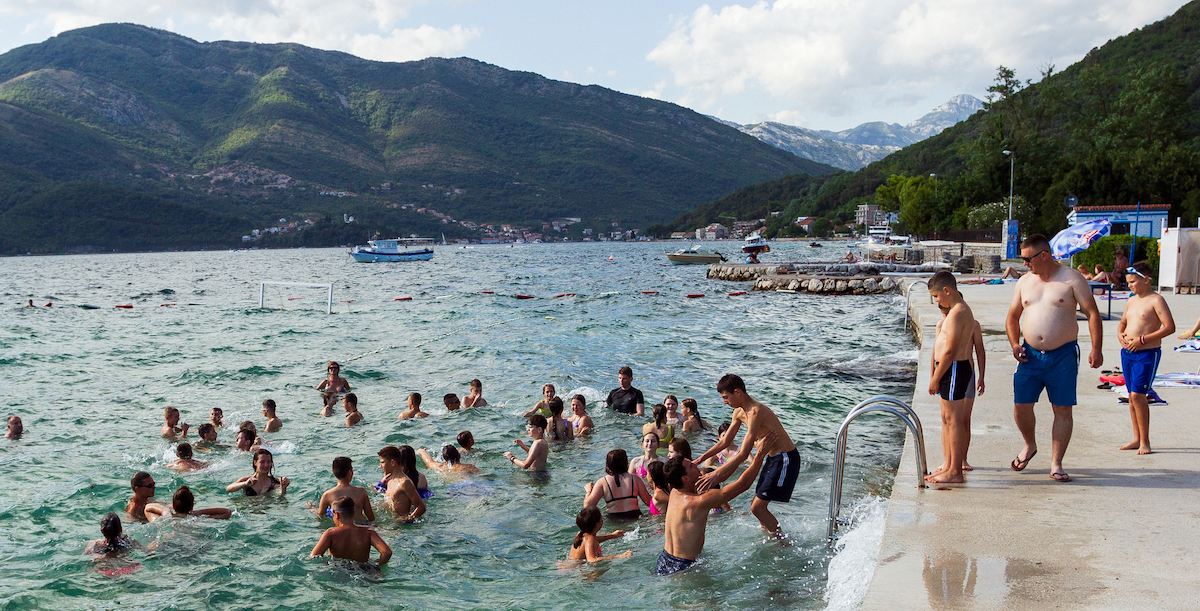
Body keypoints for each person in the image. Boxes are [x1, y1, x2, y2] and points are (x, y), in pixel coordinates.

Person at [1006, 234, 1104, 483]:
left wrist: (1096, 348)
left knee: (1062, 409)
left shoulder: (1071, 279)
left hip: (1063, 355)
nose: (1025, 264)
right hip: (1030, 355)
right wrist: (1015, 343)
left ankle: (1056, 463)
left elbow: (1092, 313)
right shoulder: (1025, 283)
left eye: (1028, 259)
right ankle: (1030, 444)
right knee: (1021, 405)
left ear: (1044, 255)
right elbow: (1012, 317)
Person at [655, 433, 773, 576]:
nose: (695, 464)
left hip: (663, 561)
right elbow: (742, 485)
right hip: (685, 567)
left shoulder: (675, 490)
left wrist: (744, 453)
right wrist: (760, 455)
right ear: (685, 478)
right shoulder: (698, 502)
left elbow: (718, 476)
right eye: (691, 465)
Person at [695, 374, 798, 537]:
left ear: (738, 392)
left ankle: (783, 542)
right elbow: (725, 441)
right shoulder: (738, 412)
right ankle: (770, 538)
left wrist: (717, 473)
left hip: (785, 458)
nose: (724, 402)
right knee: (757, 507)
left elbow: (743, 453)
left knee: (757, 508)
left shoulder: (756, 412)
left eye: (725, 397)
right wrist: (700, 460)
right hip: (772, 458)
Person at [1117, 261, 1175, 455]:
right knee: (1131, 395)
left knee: (1138, 395)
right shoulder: (1131, 300)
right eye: (1129, 282)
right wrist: (1120, 335)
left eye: (1133, 282)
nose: (1130, 285)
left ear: (1146, 280)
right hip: (1127, 353)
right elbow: (1123, 323)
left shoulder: (1156, 300)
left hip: (1146, 354)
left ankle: (1145, 441)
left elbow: (1169, 327)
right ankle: (1137, 438)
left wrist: (1142, 340)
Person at [924, 271, 976, 484]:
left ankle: (955, 471)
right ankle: (948, 464)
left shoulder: (958, 312)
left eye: (936, 296)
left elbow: (951, 350)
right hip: (949, 369)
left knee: (954, 420)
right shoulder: (955, 311)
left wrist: (936, 378)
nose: (936, 301)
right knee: (946, 419)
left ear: (947, 290)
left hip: (954, 368)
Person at [310, 497, 392, 566]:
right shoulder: (369, 532)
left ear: (337, 515)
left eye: (330, 513)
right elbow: (387, 552)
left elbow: (314, 556)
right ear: (353, 512)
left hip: (339, 571)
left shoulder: (330, 533)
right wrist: (377, 565)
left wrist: (327, 564)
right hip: (364, 571)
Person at [584, 449, 652, 519]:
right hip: (635, 516)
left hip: (614, 518)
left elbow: (588, 506)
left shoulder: (603, 482)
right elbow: (649, 502)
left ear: (608, 464)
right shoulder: (635, 479)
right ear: (626, 462)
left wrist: (588, 491)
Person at [311, 457, 375, 523]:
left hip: (341, 527)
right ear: (350, 472)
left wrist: (312, 508)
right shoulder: (361, 492)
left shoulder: (327, 495)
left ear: (334, 473)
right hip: (362, 526)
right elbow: (371, 518)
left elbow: (320, 517)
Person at [376, 446, 425, 522]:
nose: (380, 466)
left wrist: (405, 520)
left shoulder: (405, 482)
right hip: (392, 524)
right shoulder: (390, 481)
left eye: (382, 462)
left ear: (392, 462)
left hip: (402, 529)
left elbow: (421, 507)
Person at [567, 507, 632, 563]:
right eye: (601, 518)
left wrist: (613, 535)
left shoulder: (581, 534)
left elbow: (592, 541)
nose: (602, 520)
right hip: (576, 571)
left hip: (569, 567)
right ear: (597, 524)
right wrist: (619, 556)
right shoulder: (590, 539)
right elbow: (592, 560)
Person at [146, 485, 232, 521]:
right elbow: (227, 512)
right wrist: (199, 512)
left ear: (172, 506)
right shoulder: (197, 520)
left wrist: (165, 511)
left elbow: (148, 507)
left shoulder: (167, 519)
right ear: (192, 506)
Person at [418, 445, 482, 475]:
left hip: (453, 489)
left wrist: (422, 451)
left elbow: (429, 462)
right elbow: (482, 476)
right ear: (459, 456)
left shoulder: (441, 468)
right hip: (469, 484)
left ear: (444, 460)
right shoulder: (469, 466)